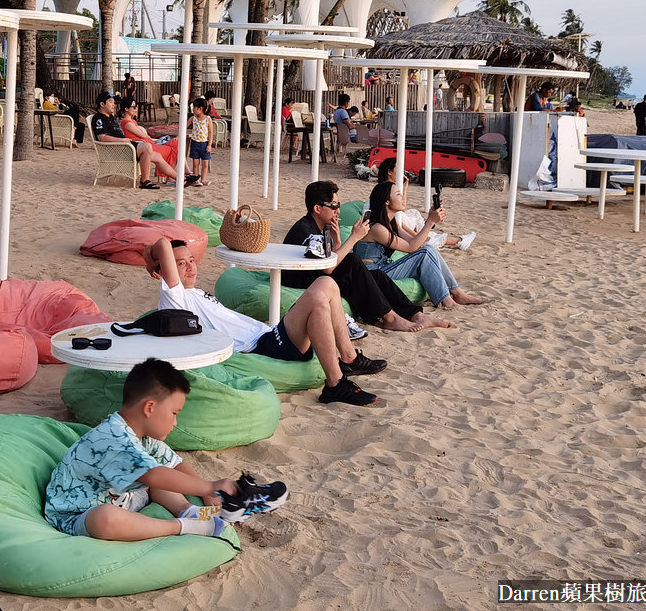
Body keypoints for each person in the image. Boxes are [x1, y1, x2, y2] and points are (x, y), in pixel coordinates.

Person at [43, 357, 287, 539]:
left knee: (159, 475)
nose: (176, 422)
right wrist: (212, 485)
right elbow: (155, 475)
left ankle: (189, 511)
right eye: (174, 413)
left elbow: (174, 465)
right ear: (149, 408)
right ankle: (184, 527)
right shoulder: (112, 438)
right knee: (105, 517)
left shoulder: (144, 436)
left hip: (121, 498)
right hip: (78, 516)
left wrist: (208, 495)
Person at [144, 238, 386, 405]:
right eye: (179, 264)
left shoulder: (194, 293)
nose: (190, 267)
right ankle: (335, 383)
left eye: (191, 260)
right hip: (261, 346)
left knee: (327, 288)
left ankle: (348, 360)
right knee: (319, 294)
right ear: (160, 272)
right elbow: (164, 244)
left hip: (270, 335)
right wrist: (149, 255)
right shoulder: (174, 298)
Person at [282, 181, 450, 332]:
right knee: (353, 261)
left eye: (338, 204)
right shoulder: (306, 230)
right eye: (333, 206)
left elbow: (329, 259)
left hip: (317, 274)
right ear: (317, 209)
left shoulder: (322, 226)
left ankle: (415, 314)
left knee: (376, 274)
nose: (338, 210)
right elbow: (329, 267)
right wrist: (354, 237)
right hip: (301, 281)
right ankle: (389, 318)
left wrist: (337, 241)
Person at [356, 182, 483, 309]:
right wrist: (430, 222)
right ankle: (447, 301)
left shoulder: (391, 224)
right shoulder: (377, 228)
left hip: (384, 269)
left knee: (428, 249)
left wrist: (430, 218)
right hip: (373, 275)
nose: (403, 198)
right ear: (386, 201)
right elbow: (411, 248)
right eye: (398, 194)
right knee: (425, 253)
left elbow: (417, 243)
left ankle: (457, 292)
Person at [374, 158, 475, 250]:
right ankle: (458, 240)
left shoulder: (389, 215)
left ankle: (458, 240)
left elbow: (400, 211)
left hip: (399, 226)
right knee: (426, 243)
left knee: (415, 216)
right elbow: (410, 246)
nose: (402, 172)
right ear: (389, 172)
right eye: (398, 194)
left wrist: (404, 189)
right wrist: (427, 225)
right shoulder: (379, 226)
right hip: (397, 231)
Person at [91, 91, 161, 190]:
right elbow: (102, 138)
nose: (114, 105)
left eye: (114, 102)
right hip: (118, 149)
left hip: (123, 146)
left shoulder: (110, 117)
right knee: (147, 147)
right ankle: (144, 181)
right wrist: (123, 140)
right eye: (111, 102)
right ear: (102, 104)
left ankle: (172, 177)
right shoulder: (99, 118)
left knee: (150, 148)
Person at [118, 98, 189, 184]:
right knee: (173, 149)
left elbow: (144, 135)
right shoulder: (127, 123)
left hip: (149, 143)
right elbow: (142, 135)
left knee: (176, 143)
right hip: (145, 146)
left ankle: (181, 175)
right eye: (134, 107)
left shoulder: (132, 121)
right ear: (126, 109)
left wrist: (149, 137)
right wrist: (147, 136)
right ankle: (179, 176)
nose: (136, 109)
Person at [186, 96, 212, 187]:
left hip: (204, 143)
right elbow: (184, 126)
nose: (193, 109)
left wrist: (209, 145)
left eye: (194, 108)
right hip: (195, 143)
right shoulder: (193, 118)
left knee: (205, 164)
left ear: (200, 109)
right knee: (195, 163)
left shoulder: (208, 119)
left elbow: (210, 133)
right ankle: (195, 179)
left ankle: (203, 179)